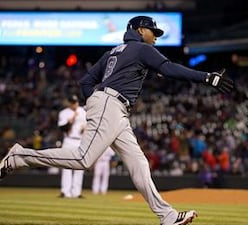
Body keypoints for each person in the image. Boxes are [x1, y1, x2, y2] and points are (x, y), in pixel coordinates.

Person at [0, 15, 234, 225]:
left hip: (114, 108)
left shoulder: (113, 52)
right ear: (140, 30)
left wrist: (96, 98)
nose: (156, 37)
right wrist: (206, 78)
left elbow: (85, 83)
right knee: (83, 158)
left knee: (139, 165)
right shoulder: (141, 48)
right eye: (153, 31)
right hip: (110, 105)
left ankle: (168, 216)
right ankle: (20, 156)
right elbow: (169, 68)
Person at [58, 94, 87, 199]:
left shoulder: (83, 112)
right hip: (68, 140)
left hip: (80, 141)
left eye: (75, 102)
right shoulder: (64, 113)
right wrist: (71, 120)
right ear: (69, 103)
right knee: (66, 166)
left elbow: (88, 126)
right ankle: (65, 191)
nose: (74, 104)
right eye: (72, 102)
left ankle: (77, 192)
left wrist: (85, 128)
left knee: (79, 166)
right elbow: (63, 128)